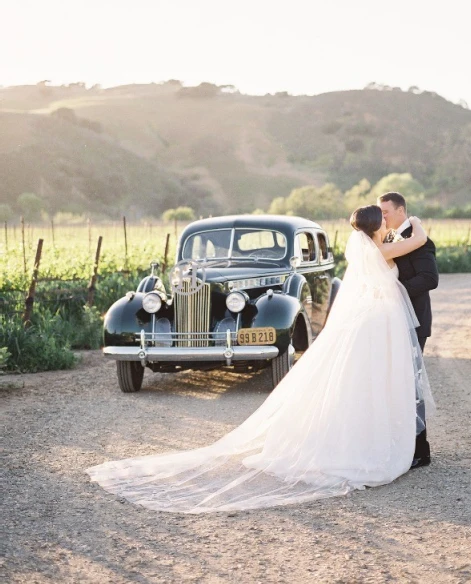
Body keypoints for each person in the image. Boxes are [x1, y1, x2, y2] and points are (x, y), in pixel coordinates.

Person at [86, 206, 434, 514]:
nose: (387, 220)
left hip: (368, 317)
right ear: (377, 226)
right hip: (378, 318)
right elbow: (417, 240)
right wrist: (414, 222)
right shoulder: (382, 247)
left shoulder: (365, 247)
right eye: (383, 218)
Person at [378, 191, 439, 469]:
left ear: (401, 211)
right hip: (394, 321)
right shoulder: (390, 238)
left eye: (386, 212)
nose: (383, 217)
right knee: (397, 383)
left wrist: (396, 294)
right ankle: (402, 443)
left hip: (414, 321)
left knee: (412, 386)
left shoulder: (420, 241)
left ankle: (420, 451)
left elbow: (429, 278)